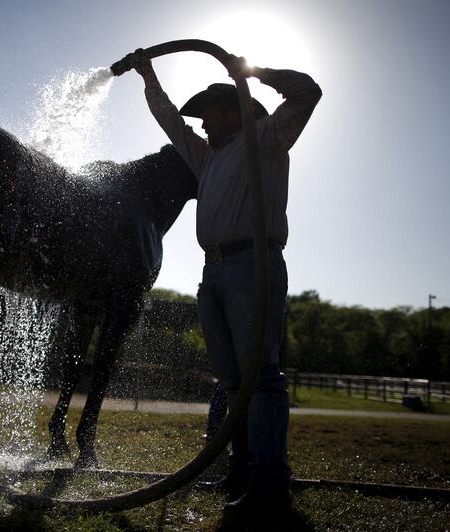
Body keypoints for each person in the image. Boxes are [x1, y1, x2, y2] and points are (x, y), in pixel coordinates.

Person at [126, 49, 321, 515]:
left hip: (253, 265)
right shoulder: (206, 158)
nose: (203, 124)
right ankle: (242, 470)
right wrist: (148, 75)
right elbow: (170, 120)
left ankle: (271, 484)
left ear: (235, 110)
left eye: (209, 114)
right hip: (213, 270)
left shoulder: (267, 138)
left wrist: (253, 72)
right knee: (234, 382)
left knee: (262, 377)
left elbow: (307, 91)